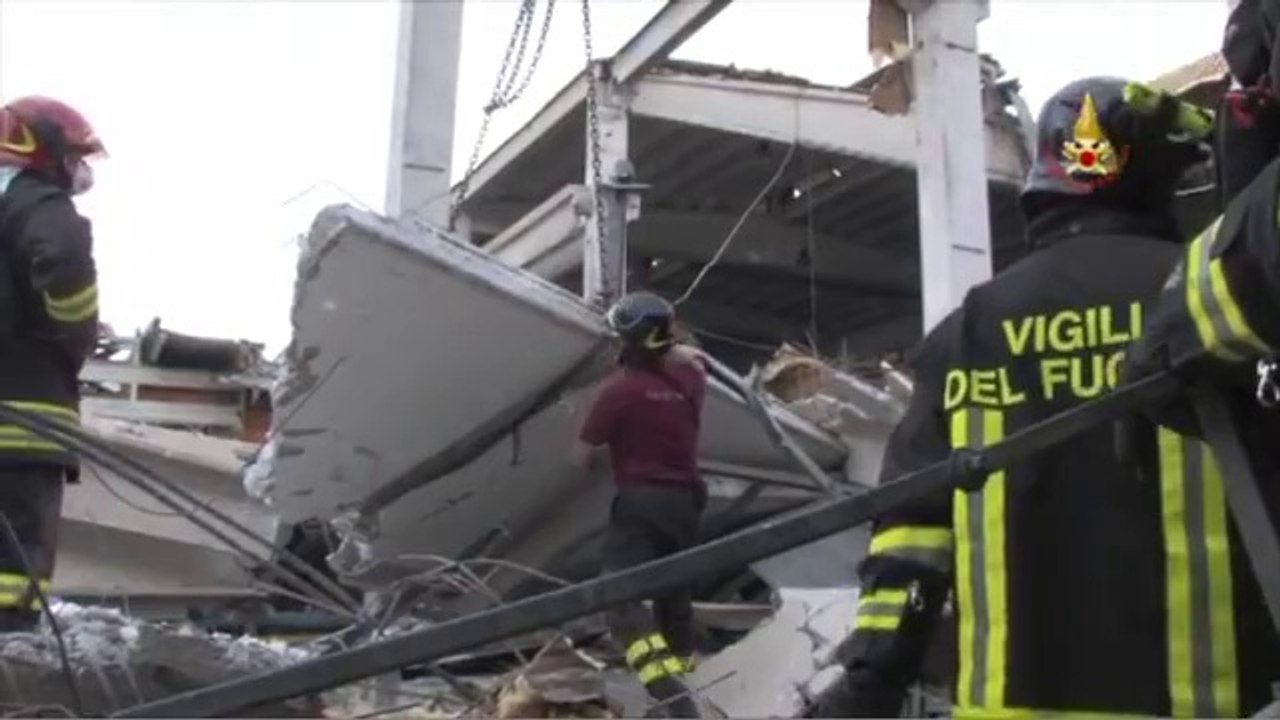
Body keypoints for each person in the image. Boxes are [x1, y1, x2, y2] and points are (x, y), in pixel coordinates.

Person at [809, 76, 1280, 718]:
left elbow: (911, 531)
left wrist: (875, 672)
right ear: (1160, 177)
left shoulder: (969, 330)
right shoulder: (1218, 308)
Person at [573, 290, 708, 718]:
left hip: (641, 502)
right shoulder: (691, 380)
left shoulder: (619, 392)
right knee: (674, 593)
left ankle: (667, 689)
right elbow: (691, 357)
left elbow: (581, 457)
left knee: (620, 598)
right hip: (687, 501)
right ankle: (685, 679)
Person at [0, 96, 104, 631]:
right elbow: (63, 257)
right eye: (74, 156)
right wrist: (74, 332)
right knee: (12, 573)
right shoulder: (36, 202)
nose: (78, 169)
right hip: (22, 426)